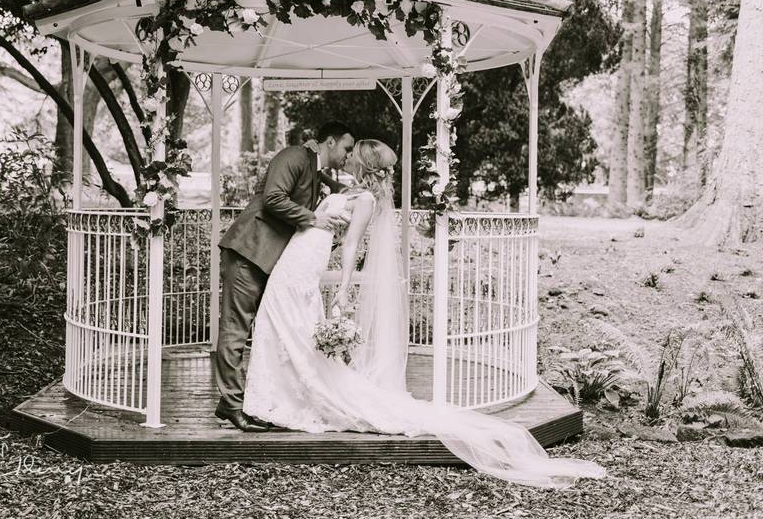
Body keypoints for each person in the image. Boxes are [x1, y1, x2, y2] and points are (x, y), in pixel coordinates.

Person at [242, 139, 607, 488]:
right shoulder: (347, 189)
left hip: (303, 263)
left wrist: (344, 287)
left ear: (364, 163)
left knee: (287, 325)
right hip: (296, 257)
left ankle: (282, 399)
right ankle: (276, 396)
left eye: (354, 152)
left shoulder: (366, 199)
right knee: (279, 324)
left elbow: (350, 243)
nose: (348, 154)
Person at [214, 121, 355, 432]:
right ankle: (232, 405)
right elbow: (274, 199)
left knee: (262, 330)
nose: (349, 155)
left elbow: (333, 186)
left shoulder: (315, 170)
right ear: (329, 142)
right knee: (235, 330)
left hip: (270, 261)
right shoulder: (293, 156)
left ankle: (245, 402)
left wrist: (366, 191)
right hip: (249, 252)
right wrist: (314, 218)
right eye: (347, 147)